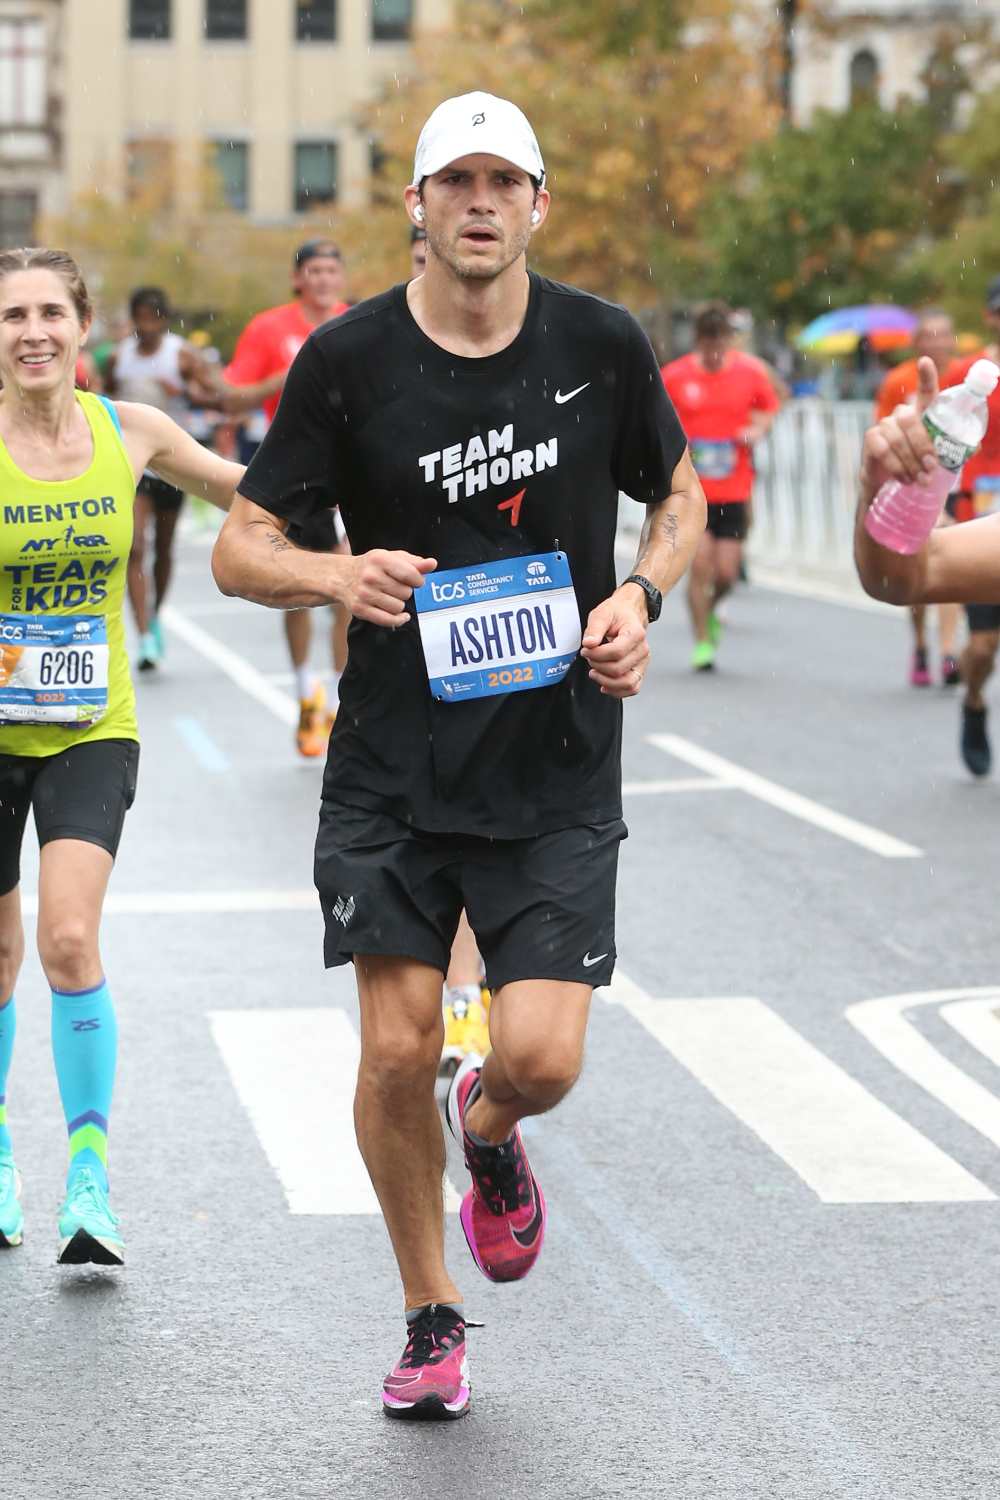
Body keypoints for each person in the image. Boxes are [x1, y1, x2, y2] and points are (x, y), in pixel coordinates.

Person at [213, 90, 705, 1420]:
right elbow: (237, 545)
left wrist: (642, 599)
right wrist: (335, 569)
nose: (480, 201)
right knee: (391, 1049)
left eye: (505, 180)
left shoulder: (602, 345)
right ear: (418, 206)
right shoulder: (347, 360)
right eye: (455, 181)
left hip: (553, 762)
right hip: (390, 766)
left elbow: (678, 494)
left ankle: (488, 1132)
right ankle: (433, 1316)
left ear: (537, 205)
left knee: (542, 1060)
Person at [0, 247, 242, 1264]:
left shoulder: (128, 432)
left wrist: (370, 516)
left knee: (64, 940)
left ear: (83, 328)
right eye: (12, 315)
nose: (32, 331)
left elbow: (255, 493)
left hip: (93, 725)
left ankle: (88, 1178)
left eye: (50, 311)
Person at [221, 241, 352, 756]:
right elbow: (231, 397)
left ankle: (342, 702)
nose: (323, 279)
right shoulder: (270, 328)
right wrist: (297, 370)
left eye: (331, 270)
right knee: (298, 585)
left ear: (341, 278)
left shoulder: (359, 322)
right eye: (313, 271)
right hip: (296, 474)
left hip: (356, 471)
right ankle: (304, 692)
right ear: (298, 278)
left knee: (350, 582)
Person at [104, 287, 218, 672]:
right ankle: (146, 637)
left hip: (175, 463)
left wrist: (184, 391)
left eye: (154, 318)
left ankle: (154, 614)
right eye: (140, 318)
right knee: (134, 547)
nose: (146, 326)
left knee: (163, 551)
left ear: (165, 319)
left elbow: (213, 395)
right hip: (133, 465)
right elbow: (101, 399)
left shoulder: (182, 355)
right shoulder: (120, 358)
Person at [661, 302, 780, 670]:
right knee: (700, 568)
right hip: (692, 492)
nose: (714, 352)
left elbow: (768, 408)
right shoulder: (675, 377)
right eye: (707, 344)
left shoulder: (749, 373)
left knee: (727, 572)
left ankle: (711, 609)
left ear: (729, 340)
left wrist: (756, 430)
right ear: (697, 340)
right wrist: (678, 443)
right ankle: (702, 642)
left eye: (720, 343)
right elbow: (657, 419)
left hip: (735, 487)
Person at [874, 311, 962, 687]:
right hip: (913, 482)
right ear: (917, 343)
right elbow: (881, 429)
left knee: (951, 568)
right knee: (918, 573)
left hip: (958, 484)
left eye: (944, 334)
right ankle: (922, 643)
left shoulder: (964, 376)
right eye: (929, 335)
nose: (937, 342)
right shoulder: (899, 381)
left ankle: (947, 654)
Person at [935, 282, 1000, 773]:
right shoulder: (970, 375)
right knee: (983, 645)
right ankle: (974, 700)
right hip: (982, 520)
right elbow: (941, 444)